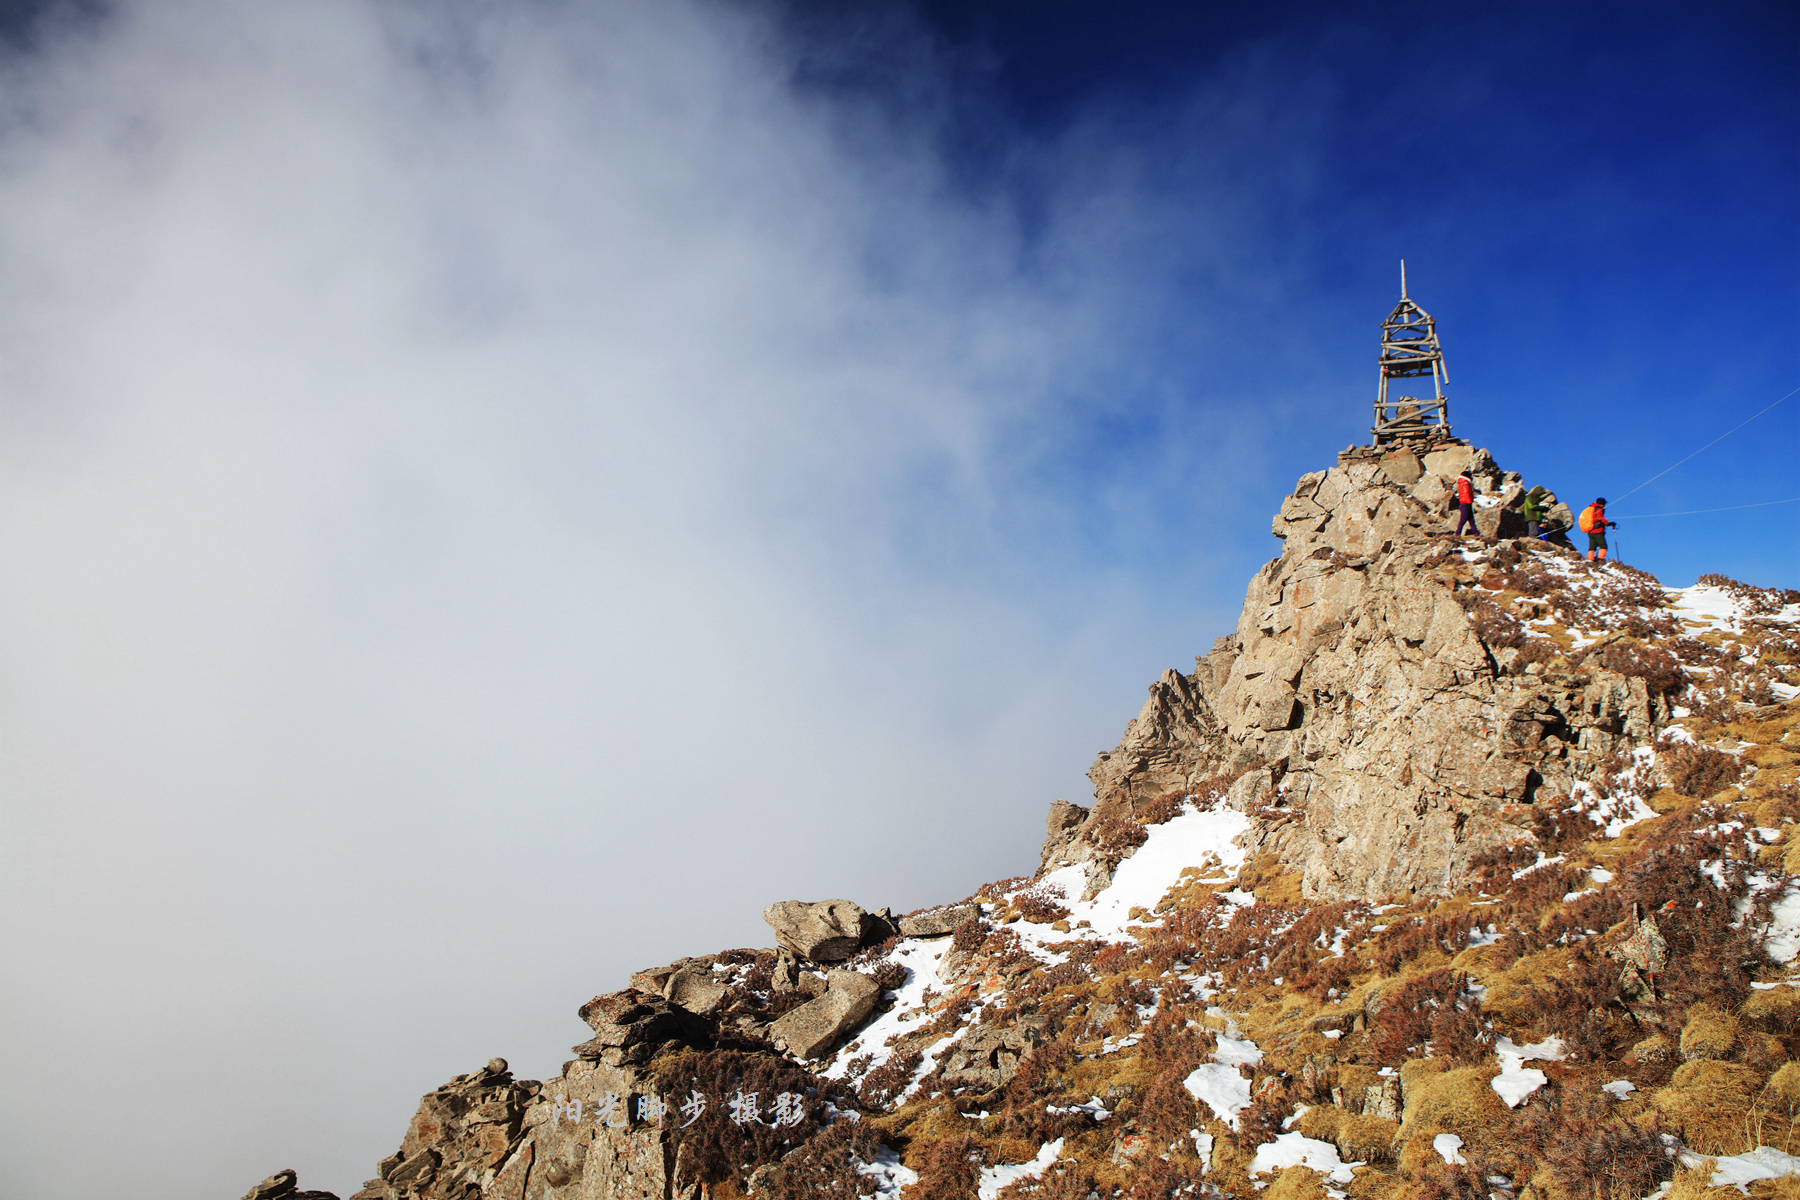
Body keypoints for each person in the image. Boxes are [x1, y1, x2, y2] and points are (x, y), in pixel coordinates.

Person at [1580, 496, 1618, 561]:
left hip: (1590, 531)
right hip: (1597, 531)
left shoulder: (1592, 509)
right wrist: (1608, 524)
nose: (1604, 505)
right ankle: (1601, 559)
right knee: (1603, 546)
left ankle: (1590, 560)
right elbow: (1600, 518)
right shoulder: (1598, 509)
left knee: (1592, 547)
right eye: (1604, 504)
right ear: (1602, 504)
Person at [1452, 469, 1476, 537]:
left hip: (1464, 502)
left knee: (1471, 519)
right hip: (1466, 503)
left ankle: (1476, 533)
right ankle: (1457, 534)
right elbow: (1466, 493)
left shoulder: (1462, 482)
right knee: (1463, 519)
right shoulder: (1465, 482)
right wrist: (1469, 502)